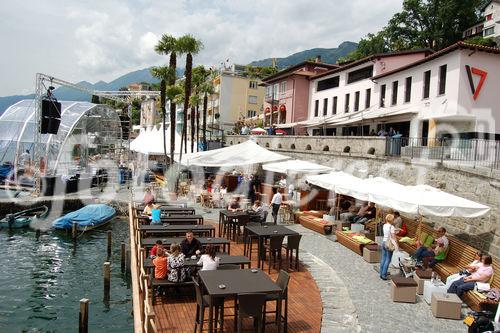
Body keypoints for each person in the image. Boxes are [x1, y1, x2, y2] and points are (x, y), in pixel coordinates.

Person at [380, 214, 398, 280]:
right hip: (389, 243)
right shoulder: (391, 227)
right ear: (391, 220)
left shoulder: (385, 225)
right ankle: (384, 275)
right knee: (388, 259)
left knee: (383, 258)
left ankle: (381, 273)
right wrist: (396, 244)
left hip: (384, 242)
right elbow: (393, 237)